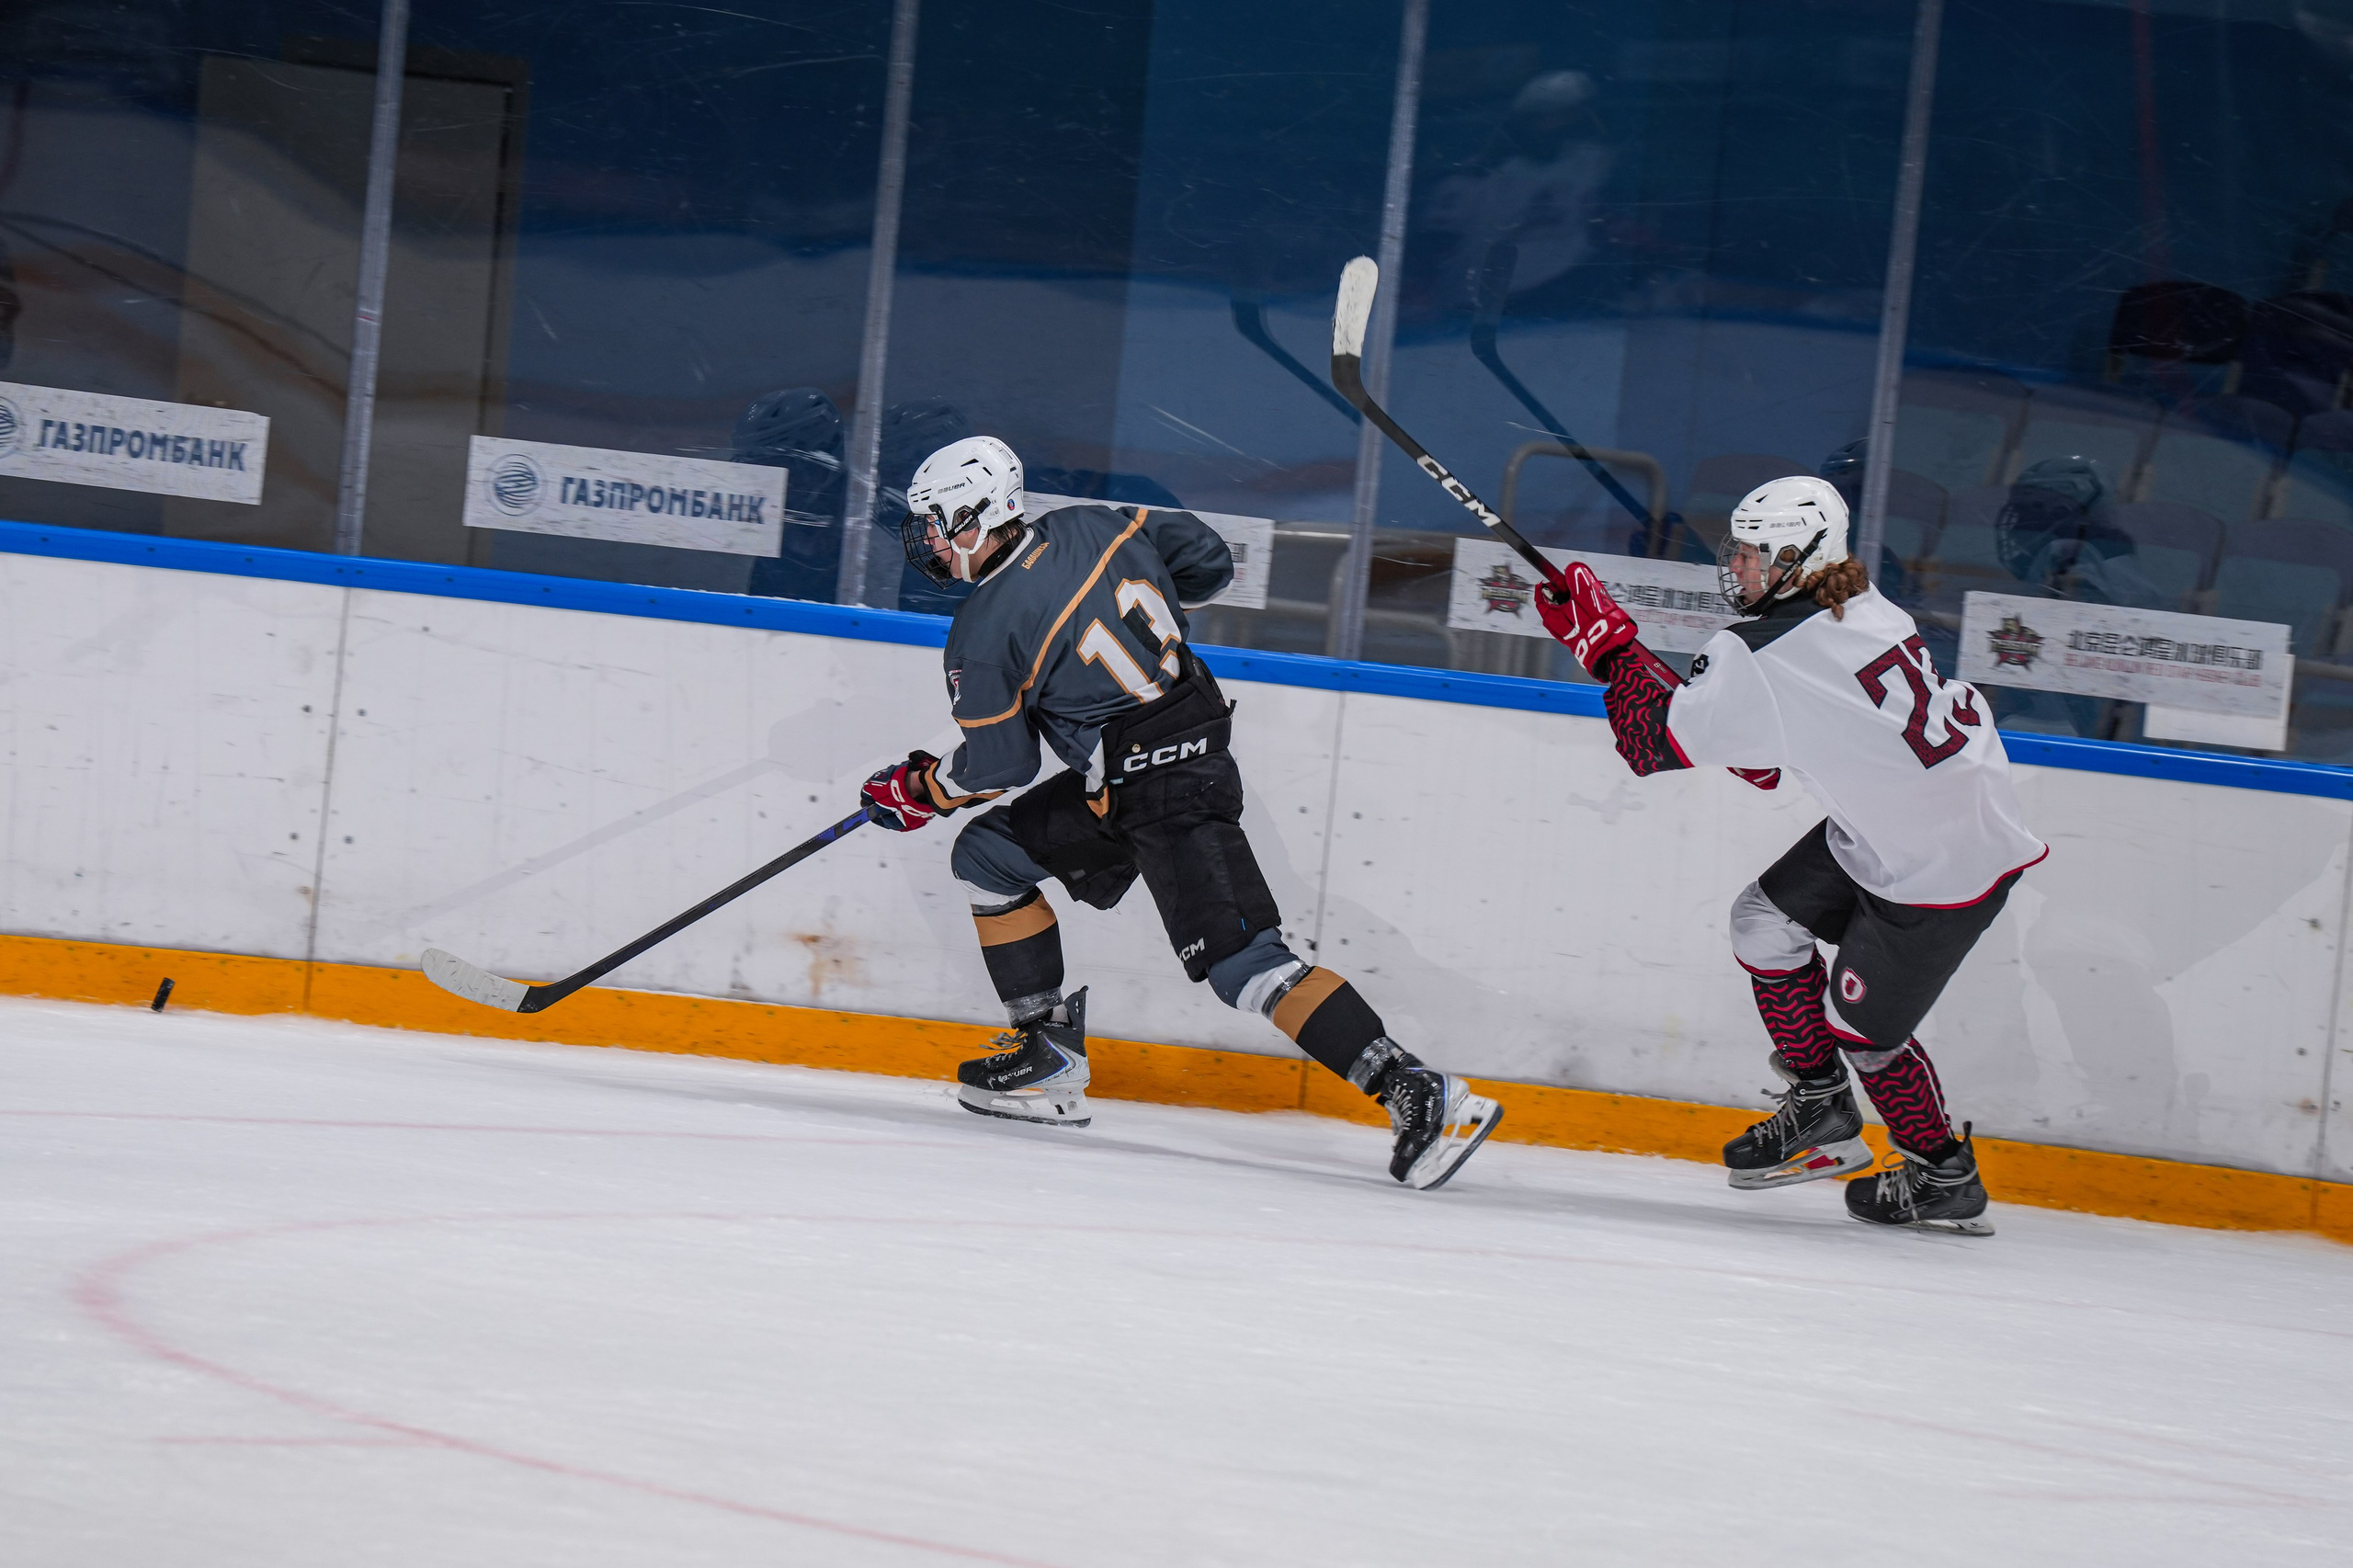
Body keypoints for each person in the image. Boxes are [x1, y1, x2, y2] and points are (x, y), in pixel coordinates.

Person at [857, 435, 1502, 1189]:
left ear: (977, 517)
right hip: (1139, 775)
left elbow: (1002, 764)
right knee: (989, 856)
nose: (930, 542)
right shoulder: (1096, 523)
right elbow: (1208, 560)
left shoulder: (982, 629)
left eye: (937, 524)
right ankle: (1047, 1054)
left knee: (1245, 965)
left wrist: (920, 789)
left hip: (1166, 791)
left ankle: (1416, 1089)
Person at [1532, 476, 2045, 1234]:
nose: (1736, 567)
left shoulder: (1763, 650)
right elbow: (1782, 740)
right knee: (1761, 923)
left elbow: (1648, 742)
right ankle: (1821, 1106)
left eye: (1752, 553)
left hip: (1942, 868)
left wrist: (1605, 647)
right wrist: (1684, 695)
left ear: (1800, 558)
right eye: (1737, 551)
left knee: (1865, 1036)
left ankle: (1944, 1175)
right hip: (1911, 821)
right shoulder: (1861, 602)